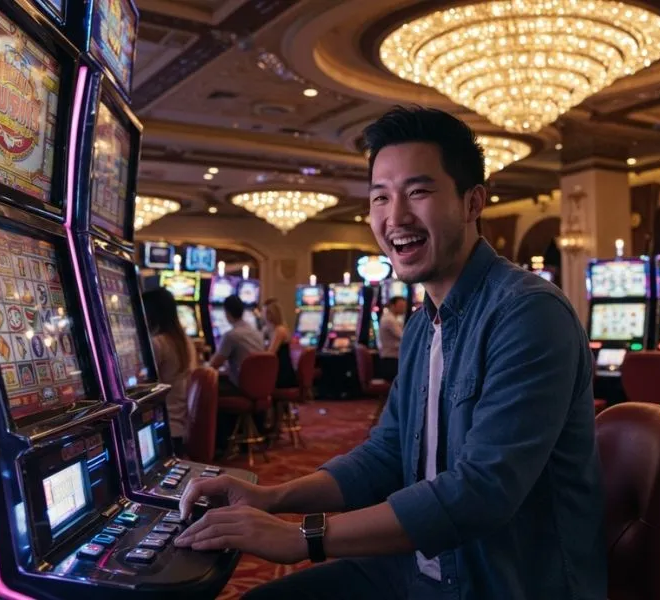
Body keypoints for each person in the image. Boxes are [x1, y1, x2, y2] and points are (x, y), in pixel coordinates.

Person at [174, 106, 607, 600]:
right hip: (416, 568)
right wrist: (271, 497)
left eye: (418, 192)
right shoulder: (425, 324)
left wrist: (304, 538)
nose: (394, 217)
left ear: (473, 203)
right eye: (380, 197)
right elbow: (385, 456)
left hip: (500, 582)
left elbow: (482, 492)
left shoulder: (529, 314)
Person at [142, 288, 197, 456]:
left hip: (161, 427)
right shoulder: (185, 341)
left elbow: (140, 386)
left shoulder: (158, 343)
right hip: (180, 424)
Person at [209, 294, 264, 394]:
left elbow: (213, 365)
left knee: (207, 387)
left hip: (241, 388)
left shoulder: (231, 335)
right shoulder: (257, 333)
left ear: (226, 313)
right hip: (260, 385)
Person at [263, 298, 298, 389]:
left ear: (271, 314)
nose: (263, 316)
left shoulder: (279, 330)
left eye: (266, 313)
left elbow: (271, 354)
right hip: (279, 370)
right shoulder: (275, 329)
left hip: (282, 374)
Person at [377, 295, 407, 381]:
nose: (404, 309)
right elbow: (404, 337)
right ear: (392, 306)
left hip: (391, 359)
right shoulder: (389, 320)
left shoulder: (391, 318)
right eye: (401, 306)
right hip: (391, 361)